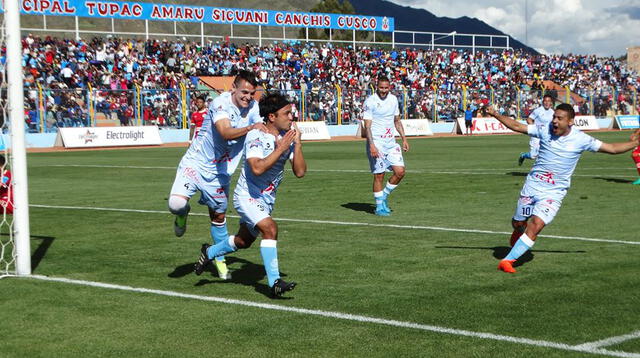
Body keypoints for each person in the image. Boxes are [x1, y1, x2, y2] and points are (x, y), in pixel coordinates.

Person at [485, 104, 640, 273]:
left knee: (536, 224)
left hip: (554, 192)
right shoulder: (544, 129)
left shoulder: (581, 139)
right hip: (532, 186)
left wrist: (635, 143)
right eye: (554, 117)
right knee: (518, 222)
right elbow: (516, 126)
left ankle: (507, 261)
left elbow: (611, 148)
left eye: (560, 118)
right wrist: (495, 114)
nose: (555, 121)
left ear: (571, 121)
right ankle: (518, 231)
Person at [194, 92, 306, 298]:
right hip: (247, 196)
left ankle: (208, 253)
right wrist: (281, 147)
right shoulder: (256, 136)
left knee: (243, 242)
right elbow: (256, 168)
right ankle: (274, 283)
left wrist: (297, 144)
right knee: (270, 229)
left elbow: (300, 172)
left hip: (266, 199)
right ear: (271, 117)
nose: (292, 117)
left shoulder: (287, 138)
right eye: (287, 113)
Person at [168, 70, 264, 280]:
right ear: (233, 88)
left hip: (220, 171)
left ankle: (219, 259)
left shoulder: (254, 107)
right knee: (175, 204)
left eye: (252, 93)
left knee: (218, 217)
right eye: (244, 92)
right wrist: (251, 127)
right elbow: (225, 132)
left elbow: (261, 128)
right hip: (196, 162)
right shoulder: (220, 104)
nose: (248, 97)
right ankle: (183, 214)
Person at [363, 76, 409, 216]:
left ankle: (383, 196)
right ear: (376, 87)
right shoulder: (370, 102)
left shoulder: (393, 100)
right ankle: (379, 207)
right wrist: (372, 145)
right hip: (377, 142)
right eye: (381, 88)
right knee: (379, 175)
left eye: (386, 88)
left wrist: (404, 139)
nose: (383, 91)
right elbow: (368, 126)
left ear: (390, 87)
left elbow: (397, 120)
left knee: (400, 171)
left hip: (391, 142)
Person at [519, 94, 554, 166]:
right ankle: (523, 155)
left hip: (547, 136)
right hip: (537, 136)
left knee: (547, 154)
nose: (547, 103)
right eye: (545, 101)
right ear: (543, 102)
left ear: (551, 102)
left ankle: (541, 172)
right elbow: (529, 119)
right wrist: (534, 129)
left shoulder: (552, 112)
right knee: (532, 156)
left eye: (549, 101)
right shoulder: (538, 110)